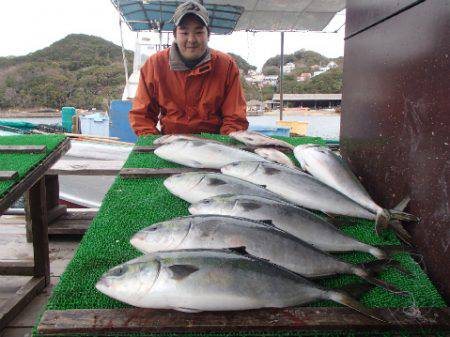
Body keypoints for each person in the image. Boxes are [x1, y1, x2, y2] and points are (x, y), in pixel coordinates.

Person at [129, 1, 249, 136]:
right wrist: (154, 143)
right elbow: (141, 117)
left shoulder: (227, 65)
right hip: (171, 143)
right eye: (184, 32)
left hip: (214, 143)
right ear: (175, 34)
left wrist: (224, 144)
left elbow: (235, 118)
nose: (191, 39)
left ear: (208, 34)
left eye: (198, 32)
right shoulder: (155, 64)